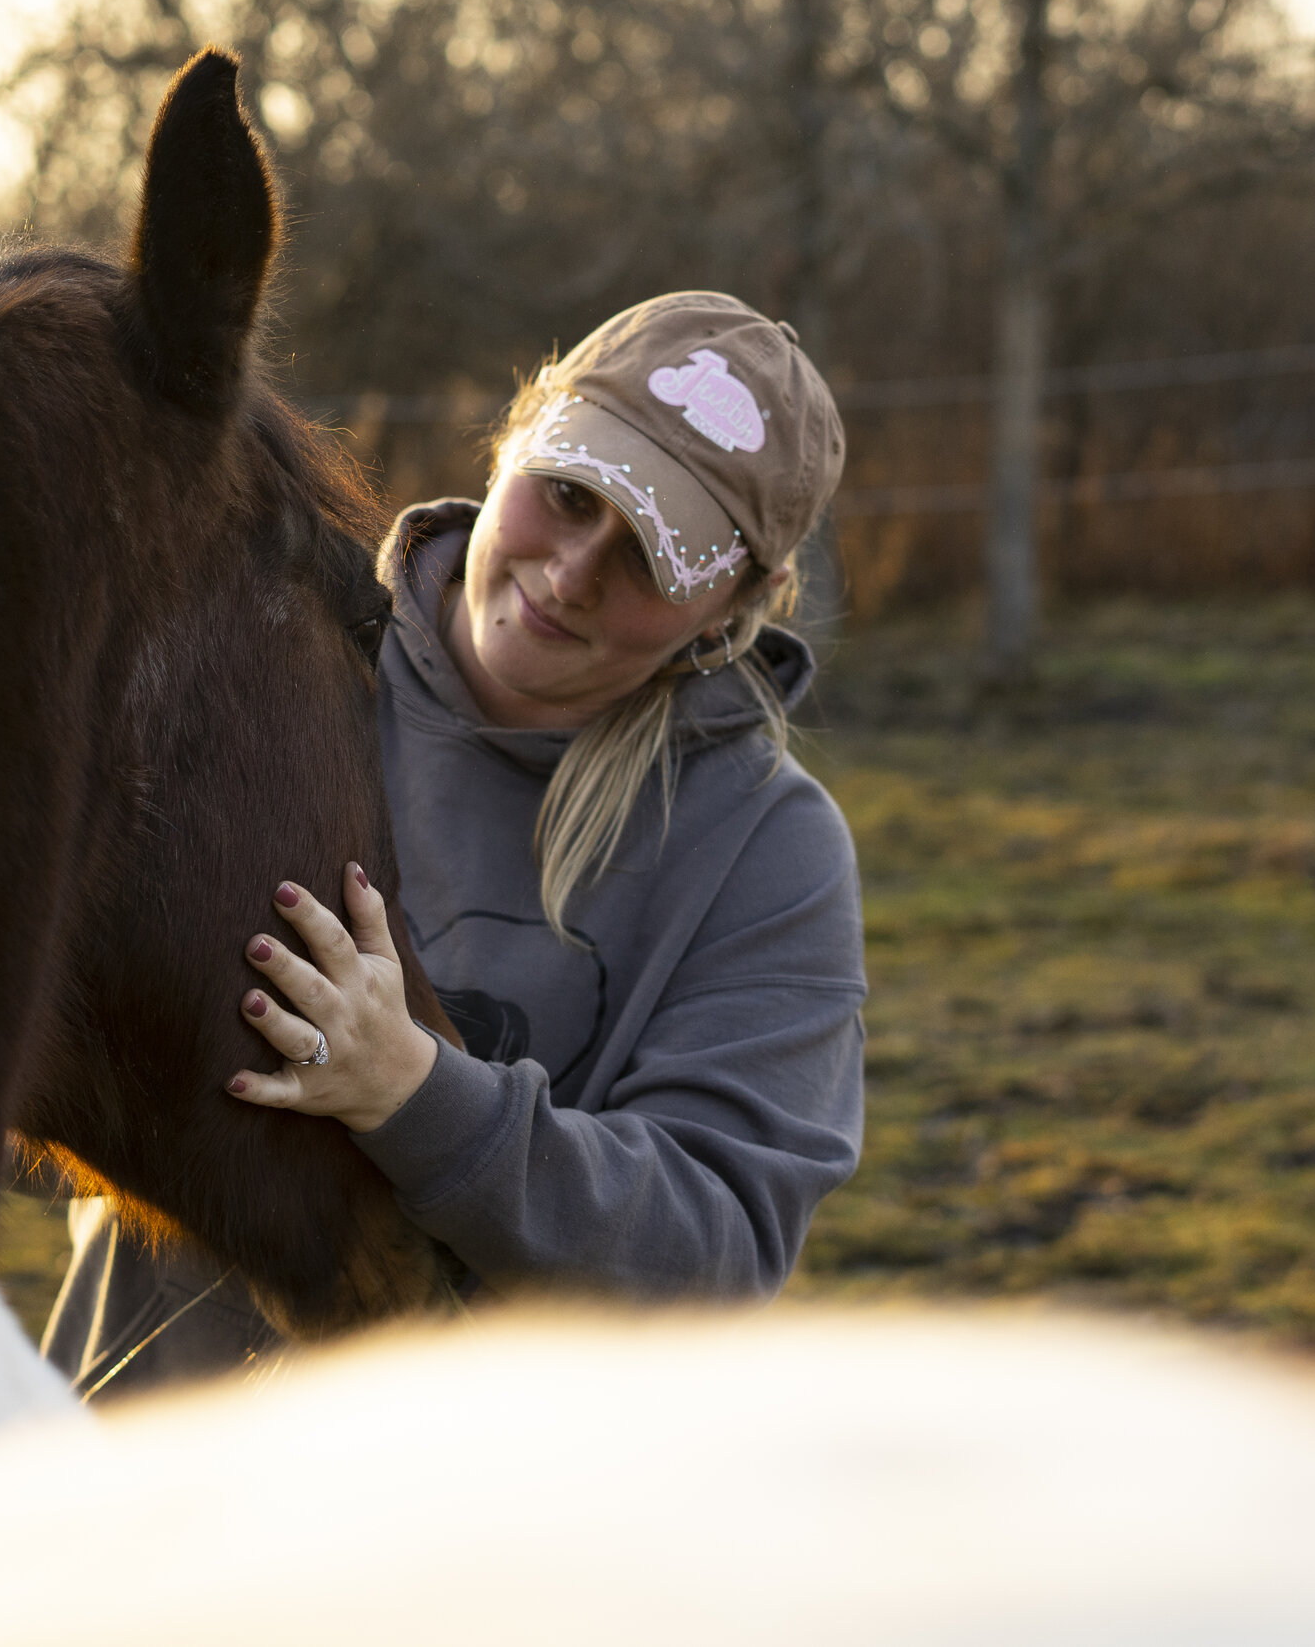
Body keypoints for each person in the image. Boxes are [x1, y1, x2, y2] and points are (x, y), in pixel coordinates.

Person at [42, 291, 866, 1393]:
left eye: (653, 558)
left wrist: (414, 1094)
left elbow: (707, 1257)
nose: (570, 574)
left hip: (493, 1484)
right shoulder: (249, 668)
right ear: (511, 438)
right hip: (143, 1447)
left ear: (738, 601)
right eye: (568, 494)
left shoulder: (765, 848)